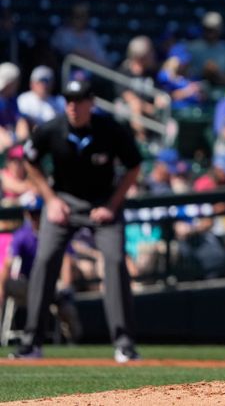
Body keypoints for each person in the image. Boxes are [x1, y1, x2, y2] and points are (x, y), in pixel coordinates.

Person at [13, 80, 142, 362]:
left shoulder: (109, 129)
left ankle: (124, 343)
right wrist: (50, 199)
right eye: (69, 99)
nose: (73, 105)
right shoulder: (53, 127)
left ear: (91, 102)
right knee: (45, 259)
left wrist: (112, 205)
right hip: (64, 202)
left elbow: (134, 165)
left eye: (79, 99)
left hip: (102, 204)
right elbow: (29, 160)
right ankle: (31, 342)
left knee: (115, 261)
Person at [0, 197, 82, 346]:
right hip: (27, 284)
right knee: (3, 284)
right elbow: (7, 265)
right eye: (31, 214)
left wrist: (65, 286)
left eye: (37, 213)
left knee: (66, 306)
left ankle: (74, 342)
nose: (35, 218)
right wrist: (1, 289)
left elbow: (67, 261)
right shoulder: (22, 235)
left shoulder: (55, 232)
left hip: (51, 286)